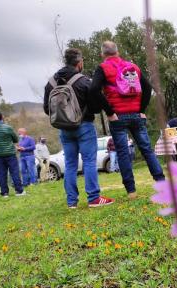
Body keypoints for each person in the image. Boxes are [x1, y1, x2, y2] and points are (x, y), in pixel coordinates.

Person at [89, 41, 165, 200]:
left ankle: (131, 192)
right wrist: (141, 110)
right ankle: (162, 185)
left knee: (123, 153)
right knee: (147, 150)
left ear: (103, 54)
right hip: (136, 116)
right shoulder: (133, 67)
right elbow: (148, 87)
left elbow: (94, 89)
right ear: (117, 51)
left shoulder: (102, 68)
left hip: (118, 117)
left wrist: (109, 112)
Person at [44, 48, 114, 208]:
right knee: (89, 161)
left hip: (64, 129)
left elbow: (46, 109)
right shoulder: (83, 81)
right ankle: (94, 198)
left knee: (70, 164)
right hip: (84, 126)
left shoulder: (51, 83)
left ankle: (71, 202)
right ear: (79, 62)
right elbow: (96, 107)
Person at [0, 111, 25, 197]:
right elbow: (15, 139)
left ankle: (4, 193)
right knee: (14, 172)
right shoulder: (8, 127)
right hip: (10, 153)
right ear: (2, 117)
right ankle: (19, 191)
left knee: (1, 174)